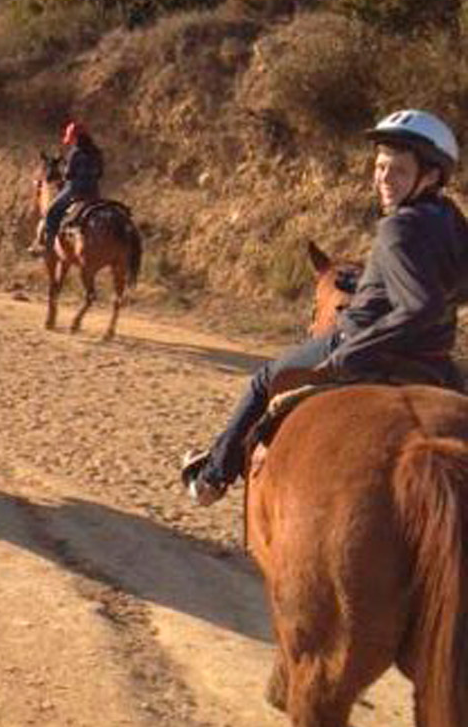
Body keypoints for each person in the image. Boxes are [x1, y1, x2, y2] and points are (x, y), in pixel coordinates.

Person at [182, 108, 468, 506]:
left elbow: (418, 305)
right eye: (380, 167)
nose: (384, 179)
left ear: (432, 175)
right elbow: (440, 283)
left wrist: (350, 353)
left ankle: (212, 476)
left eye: (398, 171)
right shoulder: (451, 220)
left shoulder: (397, 227)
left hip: (363, 341)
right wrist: (375, 280)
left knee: (263, 380)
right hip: (435, 359)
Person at [31, 120, 105, 255]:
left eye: (71, 139)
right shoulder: (96, 152)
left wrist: (65, 175)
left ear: (76, 138)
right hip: (94, 192)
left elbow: (69, 174)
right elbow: (100, 172)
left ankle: (47, 246)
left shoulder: (75, 153)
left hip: (75, 191)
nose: (71, 142)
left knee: (52, 211)